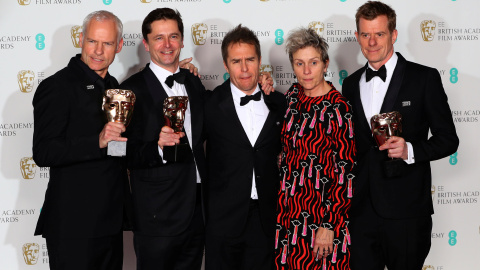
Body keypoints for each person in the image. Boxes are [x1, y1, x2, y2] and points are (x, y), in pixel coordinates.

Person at [342, 2, 459, 269]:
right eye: (365, 34)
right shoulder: (350, 84)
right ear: (357, 36)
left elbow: (448, 139)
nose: (372, 42)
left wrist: (411, 150)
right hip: (360, 211)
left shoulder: (424, 78)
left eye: (379, 34)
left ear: (393, 35)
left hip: (406, 212)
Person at [33, 10, 128, 270]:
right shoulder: (56, 86)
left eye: (107, 43)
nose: (98, 51)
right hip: (73, 225)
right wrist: (96, 141)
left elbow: (116, 152)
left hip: (110, 222)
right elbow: (43, 152)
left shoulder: (115, 86)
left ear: (118, 46)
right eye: (92, 41)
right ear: (81, 39)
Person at [120, 8, 206, 270]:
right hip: (157, 214)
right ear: (146, 44)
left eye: (173, 36)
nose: (167, 45)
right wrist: (156, 148)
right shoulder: (128, 90)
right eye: (159, 38)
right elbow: (115, 150)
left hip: (197, 210)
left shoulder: (193, 83)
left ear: (181, 41)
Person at [203, 24, 286, 270]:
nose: (244, 68)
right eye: (236, 61)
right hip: (223, 222)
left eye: (250, 59)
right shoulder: (209, 104)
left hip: (267, 220)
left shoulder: (279, 102)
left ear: (260, 61)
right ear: (226, 65)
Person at [274, 27, 355, 270]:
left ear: (325, 63)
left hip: (321, 218)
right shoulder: (292, 96)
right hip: (287, 215)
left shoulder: (339, 108)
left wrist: (330, 226)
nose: (306, 71)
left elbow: (345, 173)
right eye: (299, 63)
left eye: (313, 62)